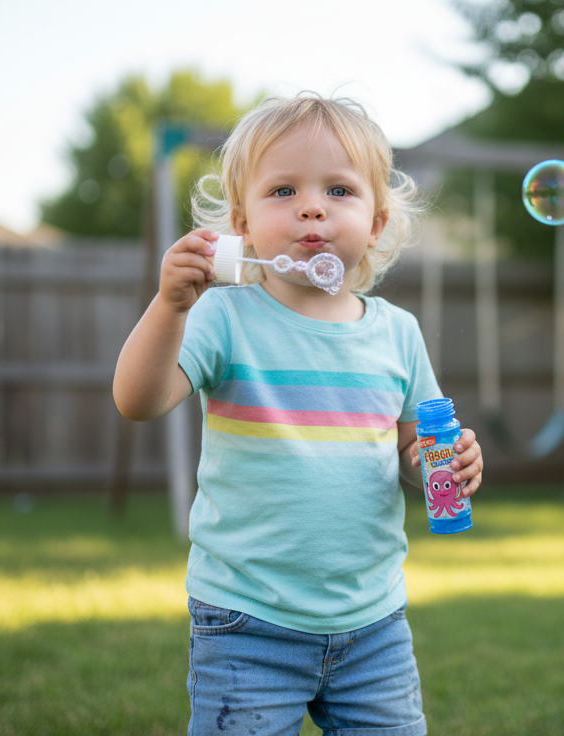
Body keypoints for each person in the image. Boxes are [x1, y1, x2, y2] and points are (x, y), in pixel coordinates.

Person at [112, 94, 484, 736]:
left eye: (339, 190)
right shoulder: (224, 317)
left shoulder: (398, 333)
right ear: (242, 224)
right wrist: (169, 307)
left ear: (376, 222)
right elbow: (138, 401)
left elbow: (413, 451)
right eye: (283, 190)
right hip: (247, 620)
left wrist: (442, 465)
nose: (312, 207)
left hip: (373, 623)